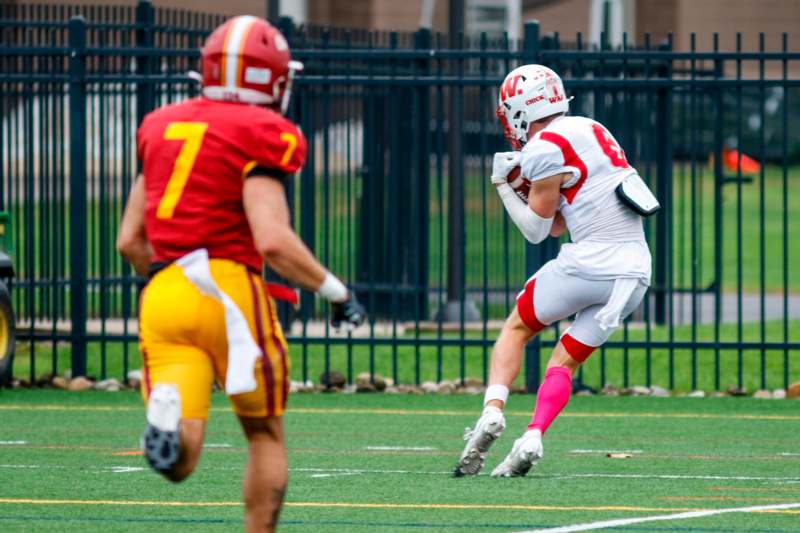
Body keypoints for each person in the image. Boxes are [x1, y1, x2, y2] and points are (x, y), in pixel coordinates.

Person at [117, 16, 365, 531]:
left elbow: (129, 241)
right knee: (263, 433)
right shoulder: (263, 131)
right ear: (270, 78)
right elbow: (272, 239)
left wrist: (167, 279)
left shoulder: (159, 123)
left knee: (181, 461)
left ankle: (163, 423)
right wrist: (337, 292)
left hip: (164, 292)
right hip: (228, 292)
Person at [454, 64, 655, 478]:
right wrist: (528, 186)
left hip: (593, 261)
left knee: (516, 328)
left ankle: (492, 412)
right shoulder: (594, 128)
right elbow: (564, 218)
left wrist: (503, 186)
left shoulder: (543, 148)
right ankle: (533, 436)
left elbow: (536, 231)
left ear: (519, 110)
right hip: (635, 271)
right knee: (564, 363)